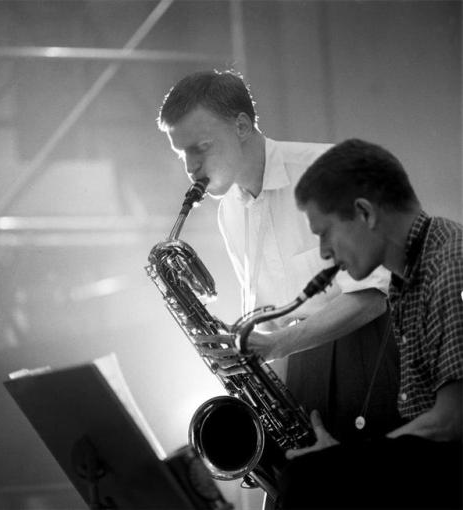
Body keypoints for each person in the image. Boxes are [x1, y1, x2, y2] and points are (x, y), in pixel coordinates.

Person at [157, 70, 401, 443]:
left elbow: (372, 297)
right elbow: (268, 323)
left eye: (199, 147)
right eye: (181, 154)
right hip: (301, 365)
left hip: (370, 358)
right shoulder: (230, 212)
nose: (190, 168)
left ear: (241, 126)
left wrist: (276, 345)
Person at [278, 138, 463, 509]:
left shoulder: (449, 264)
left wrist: (343, 464)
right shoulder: (406, 278)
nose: (324, 253)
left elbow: (451, 422)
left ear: (364, 213)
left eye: (325, 232)